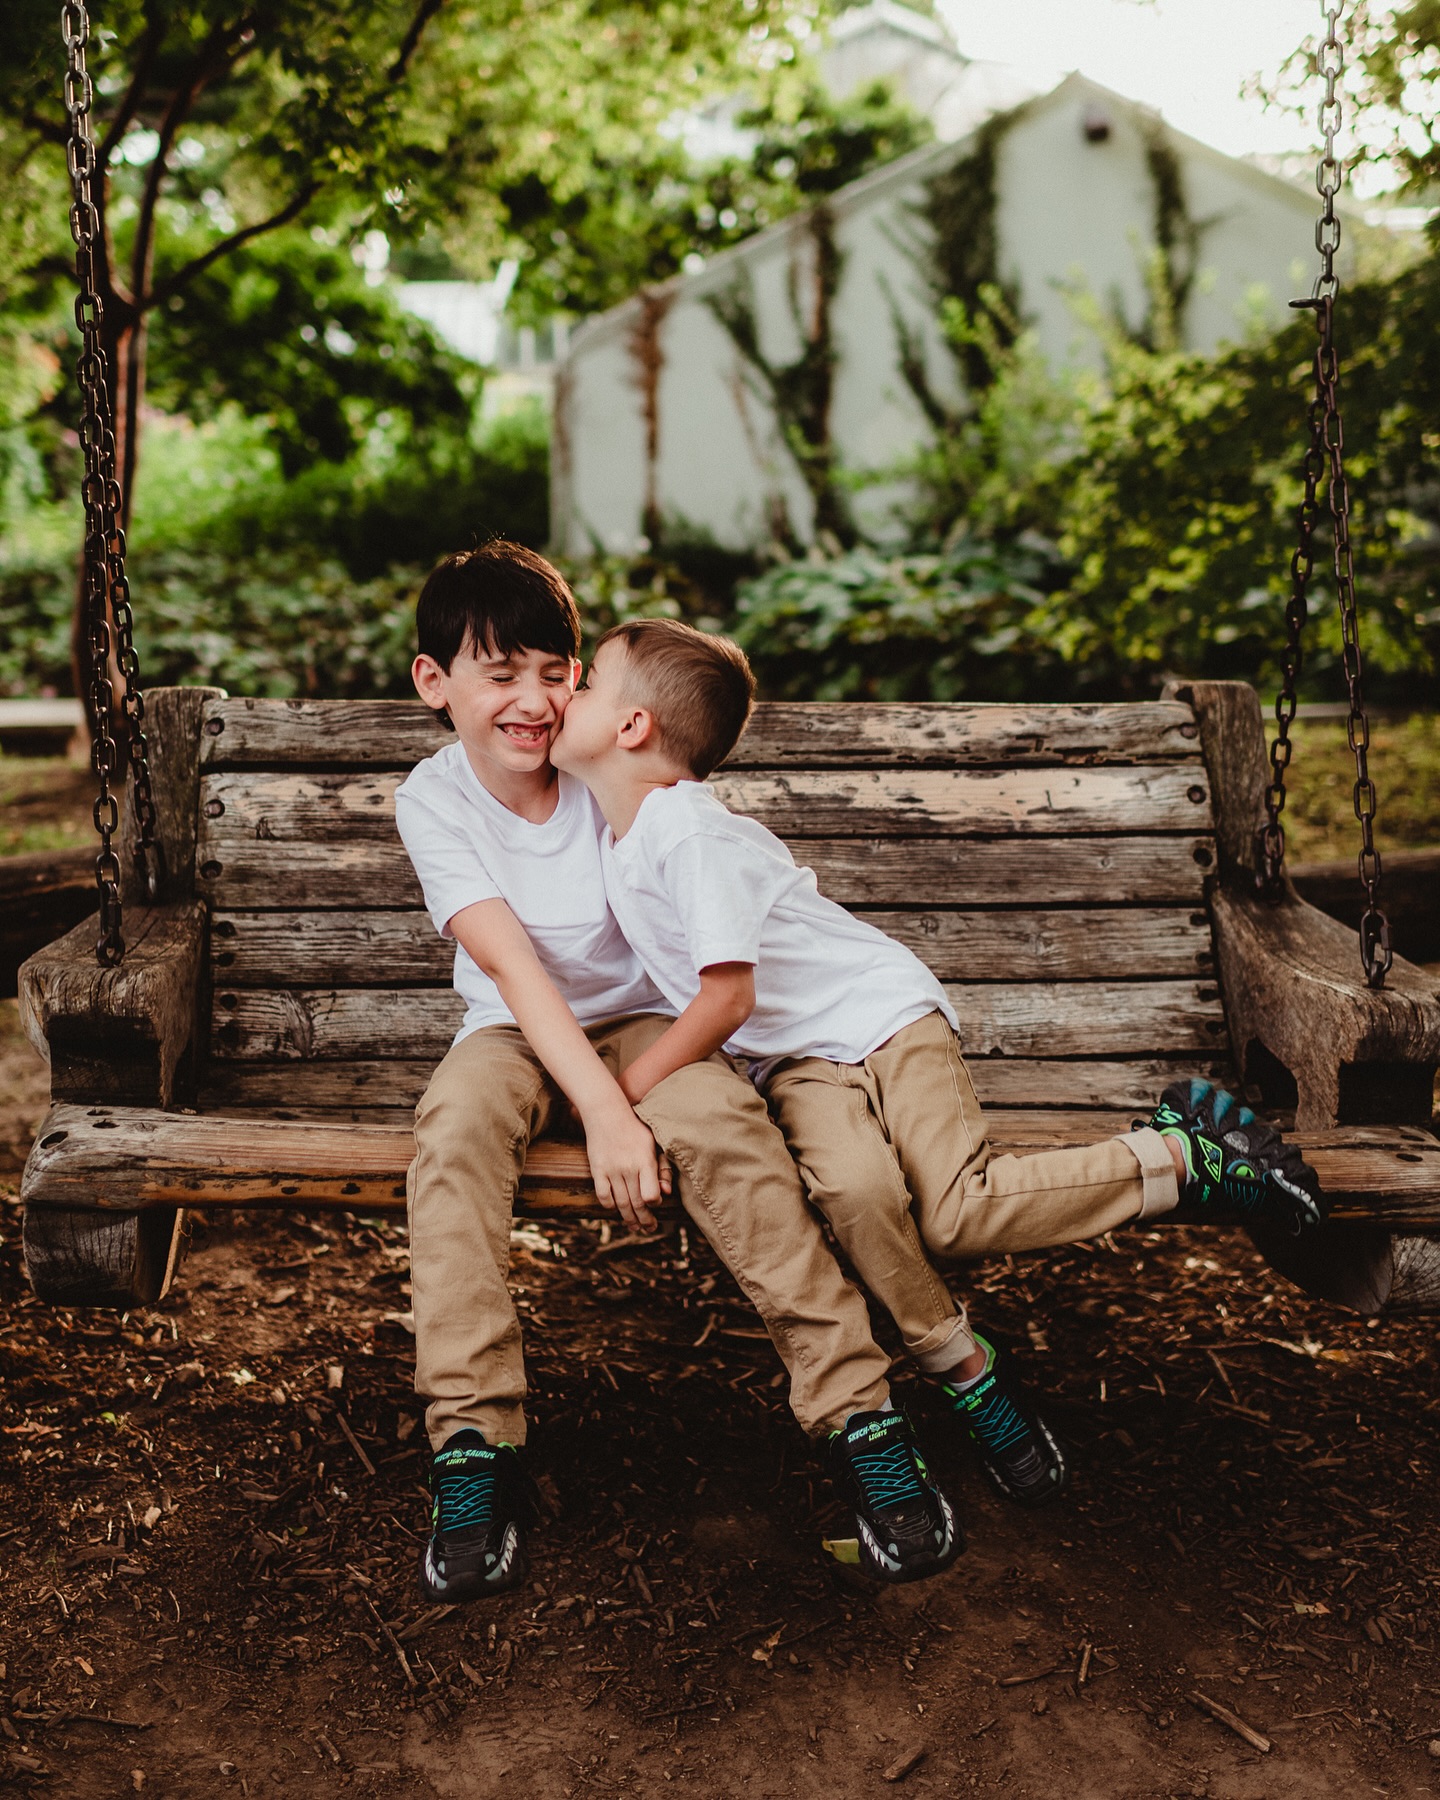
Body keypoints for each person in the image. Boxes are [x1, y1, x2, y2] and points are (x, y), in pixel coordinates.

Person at [551, 617, 1328, 1529]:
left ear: (633, 726)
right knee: (857, 1189)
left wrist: (623, 1095)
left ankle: (1181, 1157)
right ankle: (966, 1366)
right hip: (799, 1062)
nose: (567, 687)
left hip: (878, 1017)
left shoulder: (683, 829)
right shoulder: (617, 839)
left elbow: (724, 998)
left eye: (589, 678)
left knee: (956, 1211)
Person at [394, 542, 964, 1605]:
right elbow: (515, 970)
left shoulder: (600, 764)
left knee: (733, 1141)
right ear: (436, 684)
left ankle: (860, 1417)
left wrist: (632, 1095)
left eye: (554, 671)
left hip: (653, 1021)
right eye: (497, 674)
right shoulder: (434, 802)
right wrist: (606, 1115)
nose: (532, 702)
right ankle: (474, 1442)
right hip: (515, 1026)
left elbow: (704, 892)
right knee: (455, 1132)